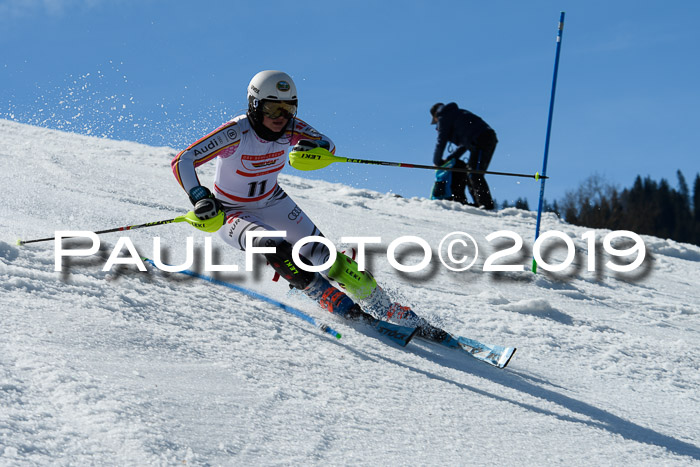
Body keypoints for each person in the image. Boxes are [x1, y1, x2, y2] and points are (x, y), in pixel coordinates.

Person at [171, 70, 443, 339]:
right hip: (232, 212)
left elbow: (326, 143)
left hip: (272, 201)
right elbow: (183, 160)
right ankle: (328, 298)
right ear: (255, 105)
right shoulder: (235, 132)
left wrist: (315, 148)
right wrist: (199, 196)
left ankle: (388, 309)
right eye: (273, 108)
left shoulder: (291, 127)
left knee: (330, 259)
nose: (281, 118)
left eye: (288, 109)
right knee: (274, 246)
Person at [430, 102, 498, 210]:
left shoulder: (444, 116)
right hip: (485, 138)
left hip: (482, 140)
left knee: (474, 173)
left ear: (435, 115)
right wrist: (450, 158)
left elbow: (441, 141)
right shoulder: (456, 113)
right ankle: (480, 203)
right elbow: (465, 144)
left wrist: (437, 162)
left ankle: (486, 205)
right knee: (472, 172)